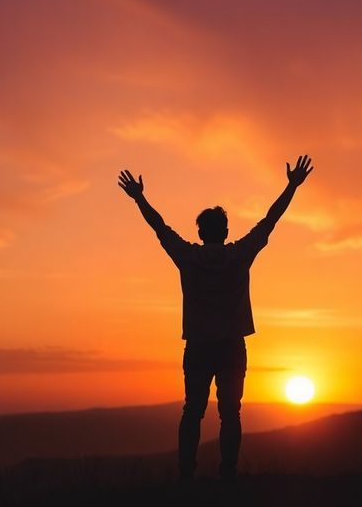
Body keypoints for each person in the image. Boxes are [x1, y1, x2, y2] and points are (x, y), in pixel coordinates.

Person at [117, 155, 314, 481]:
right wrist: (291, 186)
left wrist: (139, 197)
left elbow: (159, 227)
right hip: (231, 347)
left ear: (201, 231)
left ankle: (186, 474)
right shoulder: (239, 255)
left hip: (198, 346)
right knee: (230, 414)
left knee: (192, 412)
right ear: (224, 231)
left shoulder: (188, 257)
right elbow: (270, 220)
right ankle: (228, 474)